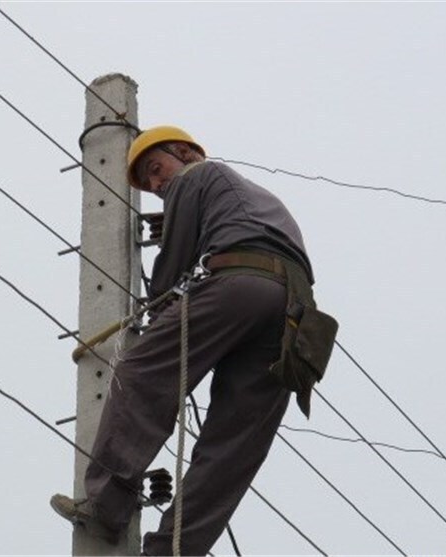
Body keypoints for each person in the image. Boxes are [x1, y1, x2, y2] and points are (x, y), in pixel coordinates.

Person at [51, 125, 334, 555]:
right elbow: (233, 231)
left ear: (184, 152)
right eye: (149, 182)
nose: (158, 183)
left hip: (240, 287)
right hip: (293, 317)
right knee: (233, 448)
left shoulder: (199, 176)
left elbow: (171, 271)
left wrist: (156, 320)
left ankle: (106, 505)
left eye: (157, 169)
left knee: (142, 373)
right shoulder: (248, 198)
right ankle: (174, 551)